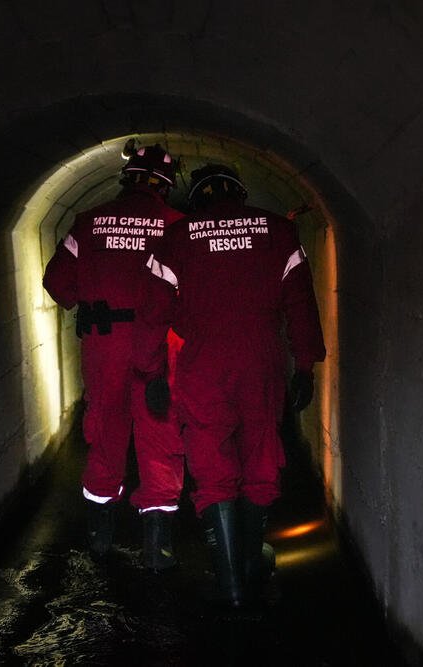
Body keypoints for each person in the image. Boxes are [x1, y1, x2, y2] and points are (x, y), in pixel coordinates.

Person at [134, 164, 326, 607]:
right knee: (260, 454)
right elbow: (301, 303)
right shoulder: (278, 231)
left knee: (211, 460)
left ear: (196, 200)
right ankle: (251, 561)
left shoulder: (176, 238)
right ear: (240, 193)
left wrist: (152, 373)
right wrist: (305, 366)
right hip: (262, 361)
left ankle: (231, 586)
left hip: (203, 363)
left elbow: (153, 311)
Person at [42, 142, 185, 571]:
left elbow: (57, 282)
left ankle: (100, 541)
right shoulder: (177, 226)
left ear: (127, 179)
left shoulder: (89, 222)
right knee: (160, 435)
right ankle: (157, 550)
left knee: (105, 430)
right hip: (159, 343)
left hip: (104, 344)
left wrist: (89, 299)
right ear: (165, 185)